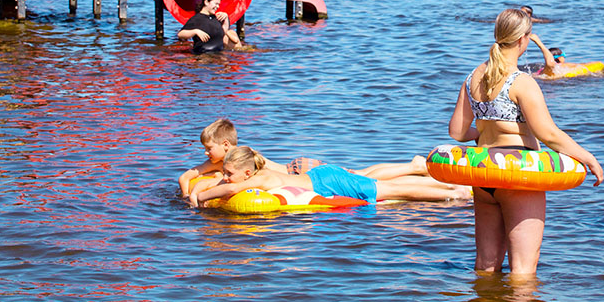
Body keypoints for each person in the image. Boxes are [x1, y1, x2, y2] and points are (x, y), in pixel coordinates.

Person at [447, 8, 604, 275]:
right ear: (523, 39)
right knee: (523, 270)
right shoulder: (522, 82)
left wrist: (483, 135)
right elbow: (548, 133)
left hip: (484, 174)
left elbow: (457, 132)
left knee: (485, 265)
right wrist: (587, 157)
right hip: (517, 175)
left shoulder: (473, 77)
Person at [178, 118, 432, 198]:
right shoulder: (228, 159)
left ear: (225, 145)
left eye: (209, 149)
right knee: (361, 175)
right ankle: (414, 169)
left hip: (300, 171)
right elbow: (190, 175)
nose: (206, 154)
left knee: (360, 175)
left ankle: (413, 167)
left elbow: (220, 181)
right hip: (303, 171)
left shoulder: (238, 157)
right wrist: (189, 191)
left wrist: (196, 195)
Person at [189, 146, 467, 208]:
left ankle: (455, 192)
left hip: (328, 182)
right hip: (321, 176)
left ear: (247, 173)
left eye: (230, 173)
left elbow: (227, 190)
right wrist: (209, 185)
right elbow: (225, 185)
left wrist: (199, 197)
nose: (226, 178)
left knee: (391, 191)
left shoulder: (258, 179)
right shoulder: (256, 173)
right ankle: (446, 185)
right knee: (383, 185)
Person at [175, 0, 242, 53]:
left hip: (219, 54)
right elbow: (180, 34)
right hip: (203, 54)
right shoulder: (196, 19)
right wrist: (195, 31)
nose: (217, 7)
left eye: (218, 4)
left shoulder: (216, 18)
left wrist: (226, 17)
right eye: (216, 4)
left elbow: (224, 31)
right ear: (206, 2)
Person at [529, 35, 603, 79]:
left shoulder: (541, 70)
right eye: (563, 55)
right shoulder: (562, 66)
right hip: (554, 78)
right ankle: (539, 42)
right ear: (559, 58)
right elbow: (582, 66)